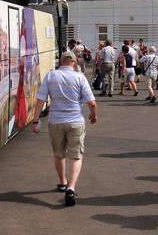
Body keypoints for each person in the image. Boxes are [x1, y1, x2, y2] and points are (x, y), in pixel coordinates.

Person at [32, 51, 97, 207]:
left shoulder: (51, 76)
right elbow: (92, 103)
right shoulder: (80, 77)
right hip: (76, 121)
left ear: (60, 62)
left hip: (55, 122)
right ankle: (71, 188)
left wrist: (35, 121)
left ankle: (62, 182)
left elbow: (40, 100)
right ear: (74, 63)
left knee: (59, 154)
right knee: (76, 156)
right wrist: (93, 115)